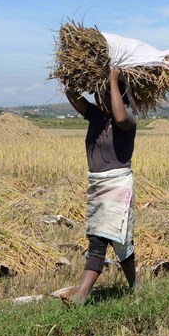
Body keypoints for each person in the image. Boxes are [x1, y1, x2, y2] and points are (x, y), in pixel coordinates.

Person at [61, 66, 137, 304]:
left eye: (103, 93)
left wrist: (114, 79)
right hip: (97, 185)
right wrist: (70, 79)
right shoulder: (96, 115)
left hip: (117, 185)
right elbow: (74, 97)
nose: (97, 97)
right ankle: (133, 287)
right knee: (108, 239)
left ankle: (85, 294)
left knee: (110, 240)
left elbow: (121, 115)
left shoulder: (128, 119)